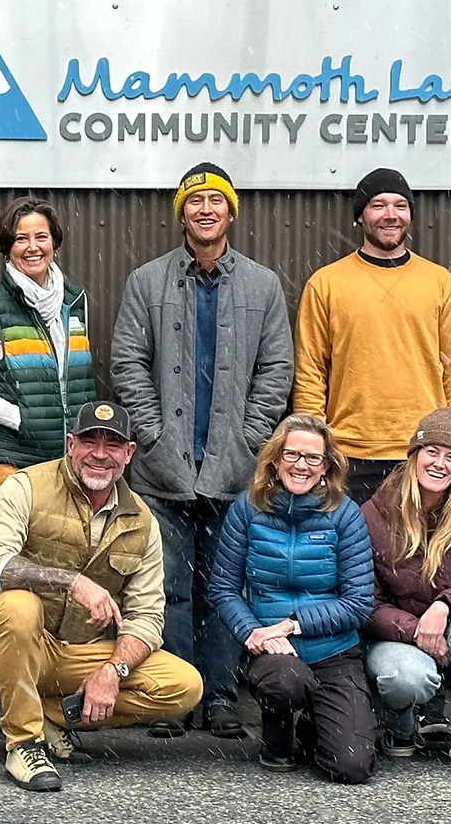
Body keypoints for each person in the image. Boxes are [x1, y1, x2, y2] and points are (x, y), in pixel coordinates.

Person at [111, 162, 294, 738]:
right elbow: (127, 362)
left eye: (217, 200)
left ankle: (217, 695)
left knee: (225, 585)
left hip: (234, 466)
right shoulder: (148, 281)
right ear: (182, 214)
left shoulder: (262, 286)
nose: (206, 209)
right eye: (195, 201)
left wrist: (252, 434)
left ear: (231, 212)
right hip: (162, 466)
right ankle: (171, 697)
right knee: (162, 586)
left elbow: (276, 368)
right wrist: (151, 429)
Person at [0, 401, 203, 792]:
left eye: (113, 444)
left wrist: (113, 672)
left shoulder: (142, 521)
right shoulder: (25, 486)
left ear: (129, 453)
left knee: (183, 684)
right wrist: (70, 581)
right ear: (70, 444)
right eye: (90, 440)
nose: (100, 454)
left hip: (72, 655)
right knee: (18, 605)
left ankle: (49, 714)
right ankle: (23, 742)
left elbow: (147, 617)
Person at [209, 413, 376, 784]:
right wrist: (253, 632)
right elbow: (222, 587)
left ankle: (317, 725)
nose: (301, 465)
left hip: (334, 652)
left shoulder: (345, 515)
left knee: (351, 766)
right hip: (271, 651)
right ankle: (277, 739)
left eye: (312, 458)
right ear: (275, 458)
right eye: (292, 454)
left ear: (326, 466)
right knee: (285, 681)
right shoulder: (247, 508)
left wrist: (294, 623)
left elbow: (358, 603)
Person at [294, 168, 451, 501]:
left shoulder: (440, 283)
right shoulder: (326, 284)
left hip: (423, 452)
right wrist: (312, 445)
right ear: (360, 216)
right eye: (378, 205)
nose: (390, 215)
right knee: (350, 552)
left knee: (419, 553)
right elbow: (311, 372)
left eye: (400, 206)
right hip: (347, 453)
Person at [359, 409, 451, 774]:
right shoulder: (375, 512)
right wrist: (416, 631)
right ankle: (401, 727)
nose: (440, 464)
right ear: (414, 455)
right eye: (431, 452)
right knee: (406, 678)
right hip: (393, 633)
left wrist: (444, 605)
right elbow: (366, 601)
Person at [0, 196, 95, 505]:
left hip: (67, 466)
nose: (33, 247)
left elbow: (79, 381)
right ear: (8, 248)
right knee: (13, 554)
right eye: (21, 239)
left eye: (41, 237)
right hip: (12, 465)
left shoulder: (75, 303)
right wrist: (23, 418)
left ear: (54, 243)